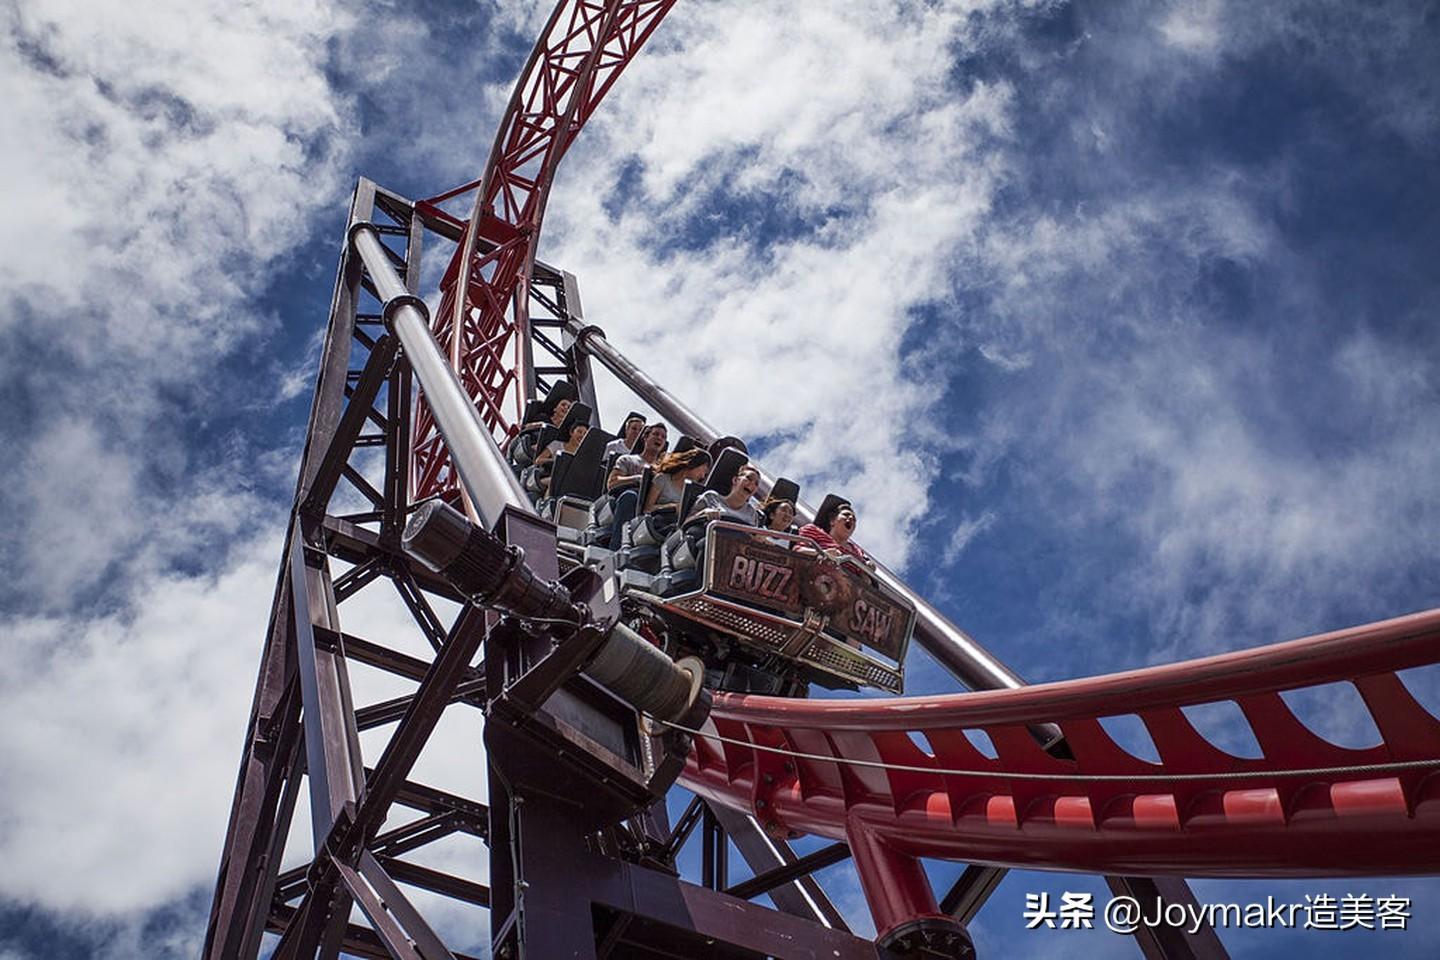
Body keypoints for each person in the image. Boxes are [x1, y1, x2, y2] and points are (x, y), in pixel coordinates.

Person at [797, 494, 871, 563]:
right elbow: (798, 550)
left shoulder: (857, 551)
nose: (851, 518)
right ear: (832, 520)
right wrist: (823, 553)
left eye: (854, 519)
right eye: (846, 515)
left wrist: (869, 568)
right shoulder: (814, 531)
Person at [688, 464, 761, 525]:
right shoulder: (711, 497)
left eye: (756, 484)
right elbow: (684, 526)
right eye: (749, 478)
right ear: (735, 480)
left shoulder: (752, 514)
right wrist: (703, 513)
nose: (752, 484)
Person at [644, 448, 712, 513]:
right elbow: (647, 509)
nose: (702, 476)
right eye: (703, 470)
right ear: (694, 464)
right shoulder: (662, 479)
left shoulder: (693, 492)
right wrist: (671, 507)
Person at [608, 422, 668, 490]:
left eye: (663, 437)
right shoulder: (627, 460)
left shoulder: (662, 471)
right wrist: (637, 479)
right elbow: (612, 483)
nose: (659, 438)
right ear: (645, 437)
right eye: (656, 434)